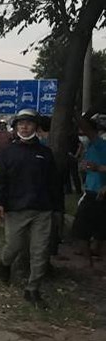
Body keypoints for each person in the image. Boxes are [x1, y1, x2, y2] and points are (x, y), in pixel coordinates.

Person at [0, 109, 64, 308]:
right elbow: (0, 180)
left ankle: (32, 289)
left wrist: (57, 209)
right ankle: (5, 264)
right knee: (13, 247)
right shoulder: (8, 153)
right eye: (20, 123)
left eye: (29, 123)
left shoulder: (45, 153)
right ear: (16, 127)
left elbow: (54, 184)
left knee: (40, 251)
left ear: (36, 127)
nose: (24, 127)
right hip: (15, 209)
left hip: (42, 210)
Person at [72, 111, 106, 260]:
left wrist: (74, 113)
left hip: (98, 193)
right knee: (97, 231)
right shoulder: (91, 147)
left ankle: (90, 265)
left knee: (82, 230)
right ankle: (92, 260)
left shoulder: (100, 144)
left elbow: (87, 129)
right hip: (91, 191)